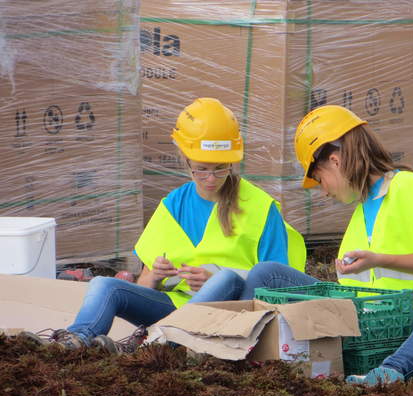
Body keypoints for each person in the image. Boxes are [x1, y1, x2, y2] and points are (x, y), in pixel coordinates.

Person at [23, 97, 306, 353]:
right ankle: (76, 340)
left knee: (225, 279)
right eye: (202, 168)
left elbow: (274, 287)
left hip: (230, 315)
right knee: (103, 285)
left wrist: (216, 283)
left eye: (221, 168)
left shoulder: (260, 207)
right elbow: (145, 283)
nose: (211, 178)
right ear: (185, 159)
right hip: (173, 311)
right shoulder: (173, 205)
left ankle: (158, 344)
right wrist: (156, 276)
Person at [241, 104, 413, 386]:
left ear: (336, 160)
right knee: (266, 274)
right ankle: (236, 352)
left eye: (320, 179)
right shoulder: (362, 209)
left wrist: (378, 259)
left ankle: (389, 373)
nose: (325, 191)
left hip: (410, 318)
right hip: (362, 321)